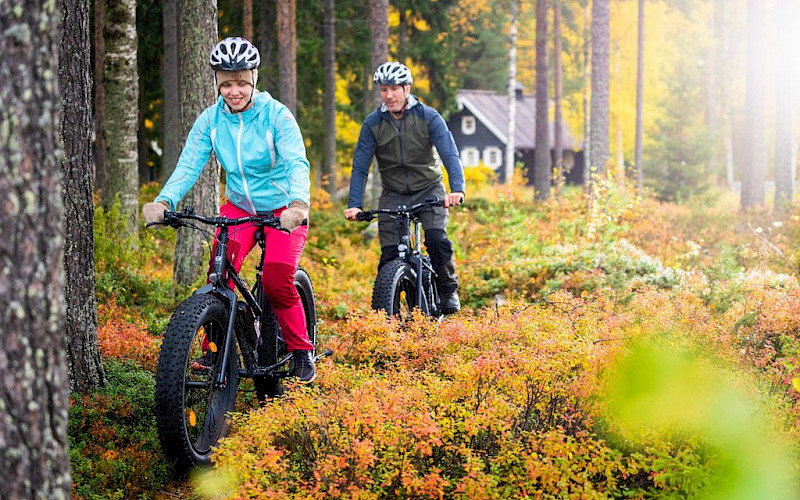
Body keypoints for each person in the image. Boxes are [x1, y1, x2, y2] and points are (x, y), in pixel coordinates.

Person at [142, 37, 316, 383]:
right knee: (219, 270)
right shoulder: (211, 120)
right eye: (226, 84)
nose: (234, 91)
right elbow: (189, 166)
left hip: (283, 209)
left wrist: (298, 204)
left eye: (241, 83)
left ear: (253, 79)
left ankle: (301, 350)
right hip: (239, 206)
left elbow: (297, 162)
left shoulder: (276, 115)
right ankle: (214, 349)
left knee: (278, 276)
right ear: (217, 83)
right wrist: (164, 201)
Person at [344, 61, 465, 314]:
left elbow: (449, 154)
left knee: (436, 239)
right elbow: (360, 166)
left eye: (394, 89)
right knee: (389, 255)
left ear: (407, 88)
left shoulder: (428, 117)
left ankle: (447, 289)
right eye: (384, 90)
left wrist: (457, 189)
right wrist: (354, 204)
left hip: (429, 188)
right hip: (393, 193)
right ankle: (388, 310)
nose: (389, 96)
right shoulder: (372, 124)